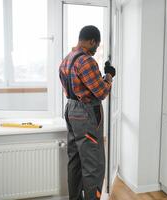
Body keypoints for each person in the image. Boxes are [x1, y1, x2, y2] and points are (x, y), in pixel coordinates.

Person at [59, 25, 116, 200]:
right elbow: (101, 92)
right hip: (85, 114)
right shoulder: (86, 61)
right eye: (96, 46)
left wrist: (100, 77)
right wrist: (108, 76)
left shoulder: (67, 59)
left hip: (70, 110)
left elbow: (78, 86)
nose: (95, 50)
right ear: (92, 41)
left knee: (75, 160)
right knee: (94, 164)